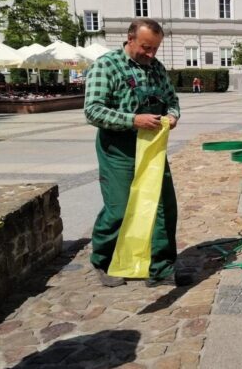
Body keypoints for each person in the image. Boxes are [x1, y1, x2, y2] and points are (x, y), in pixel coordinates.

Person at [84, 18, 190, 288]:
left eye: (155, 48)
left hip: (152, 145)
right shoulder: (106, 66)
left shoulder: (156, 68)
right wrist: (133, 120)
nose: (151, 54)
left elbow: (172, 100)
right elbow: (93, 110)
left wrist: (173, 115)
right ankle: (103, 260)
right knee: (119, 208)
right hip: (118, 148)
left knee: (164, 206)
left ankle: (161, 267)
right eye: (146, 47)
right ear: (130, 39)